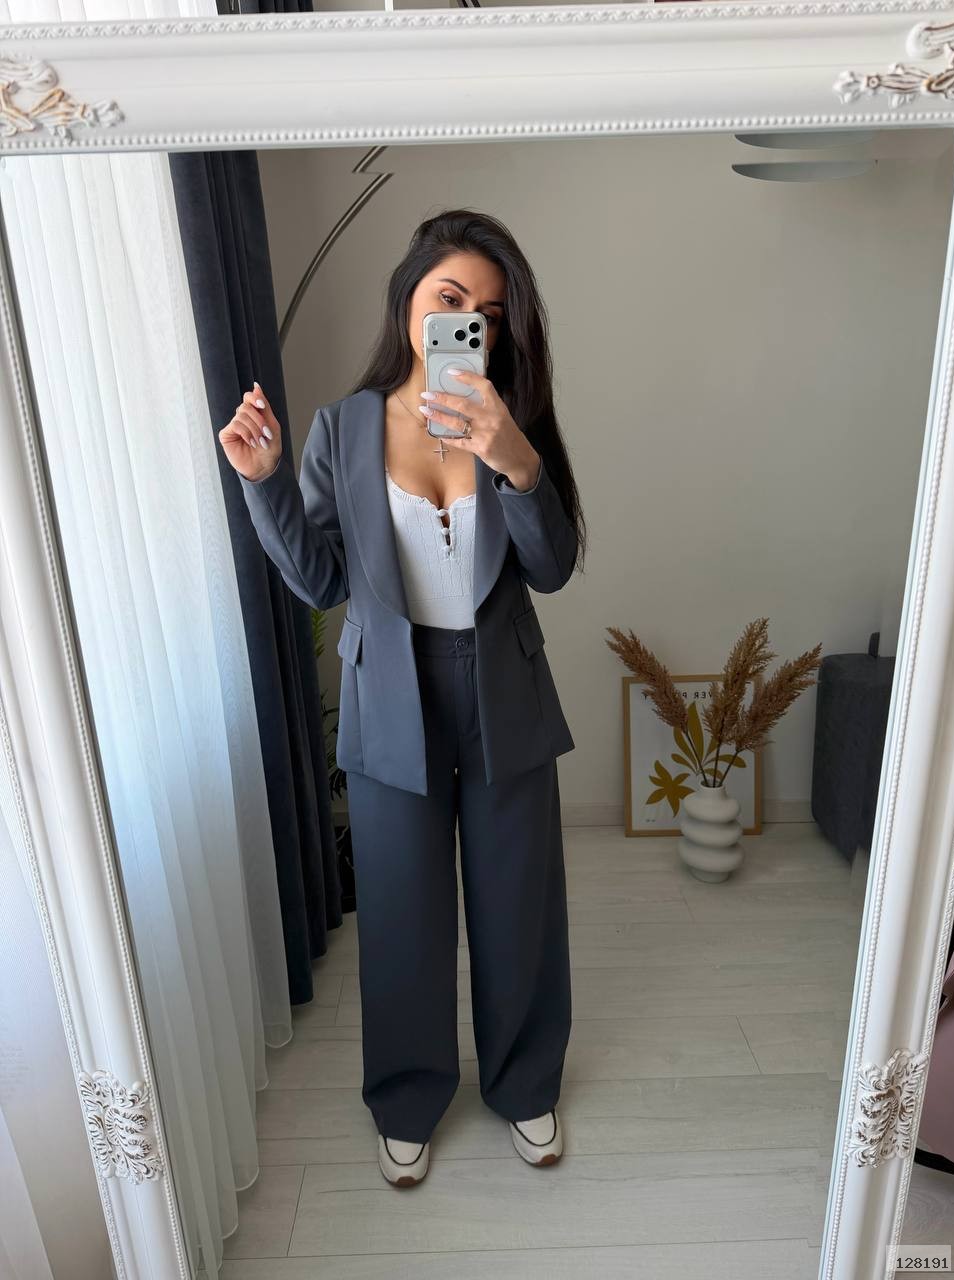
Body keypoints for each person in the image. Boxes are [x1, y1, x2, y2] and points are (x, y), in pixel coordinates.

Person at [220, 208, 586, 1189]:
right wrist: (263, 482)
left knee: (518, 906)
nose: (469, 322)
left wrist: (515, 460)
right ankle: (407, 1096)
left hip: (503, 690)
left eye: (490, 313)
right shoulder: (343, 427)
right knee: (401, 915)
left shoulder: (512, 420)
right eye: (450, 298)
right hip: (390, 698)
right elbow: (321, 579)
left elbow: (553, 567)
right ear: (409, 301)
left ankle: (525, 1082)